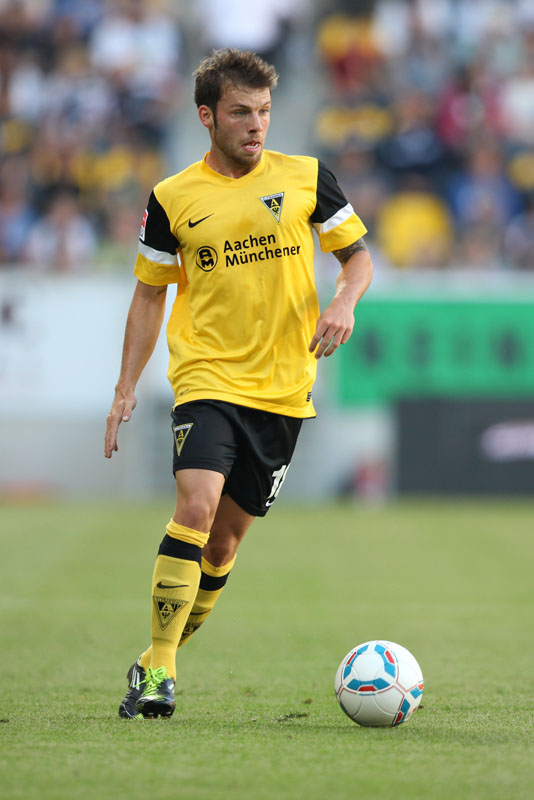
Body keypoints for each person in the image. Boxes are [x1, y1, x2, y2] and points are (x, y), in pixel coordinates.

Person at [104, 48, 373, 720]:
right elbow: (149, 295)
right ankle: (162, 674)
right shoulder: (172, 198)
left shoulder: (308, 177)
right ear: (207, 116)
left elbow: (357, 258)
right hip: (207, 377)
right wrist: (125, 386)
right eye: (241, 113)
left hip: (284, 391)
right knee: (195, 509)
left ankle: (153, 657)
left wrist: (344, 302)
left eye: (264, 112)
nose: (256, 126)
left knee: (222, 546)